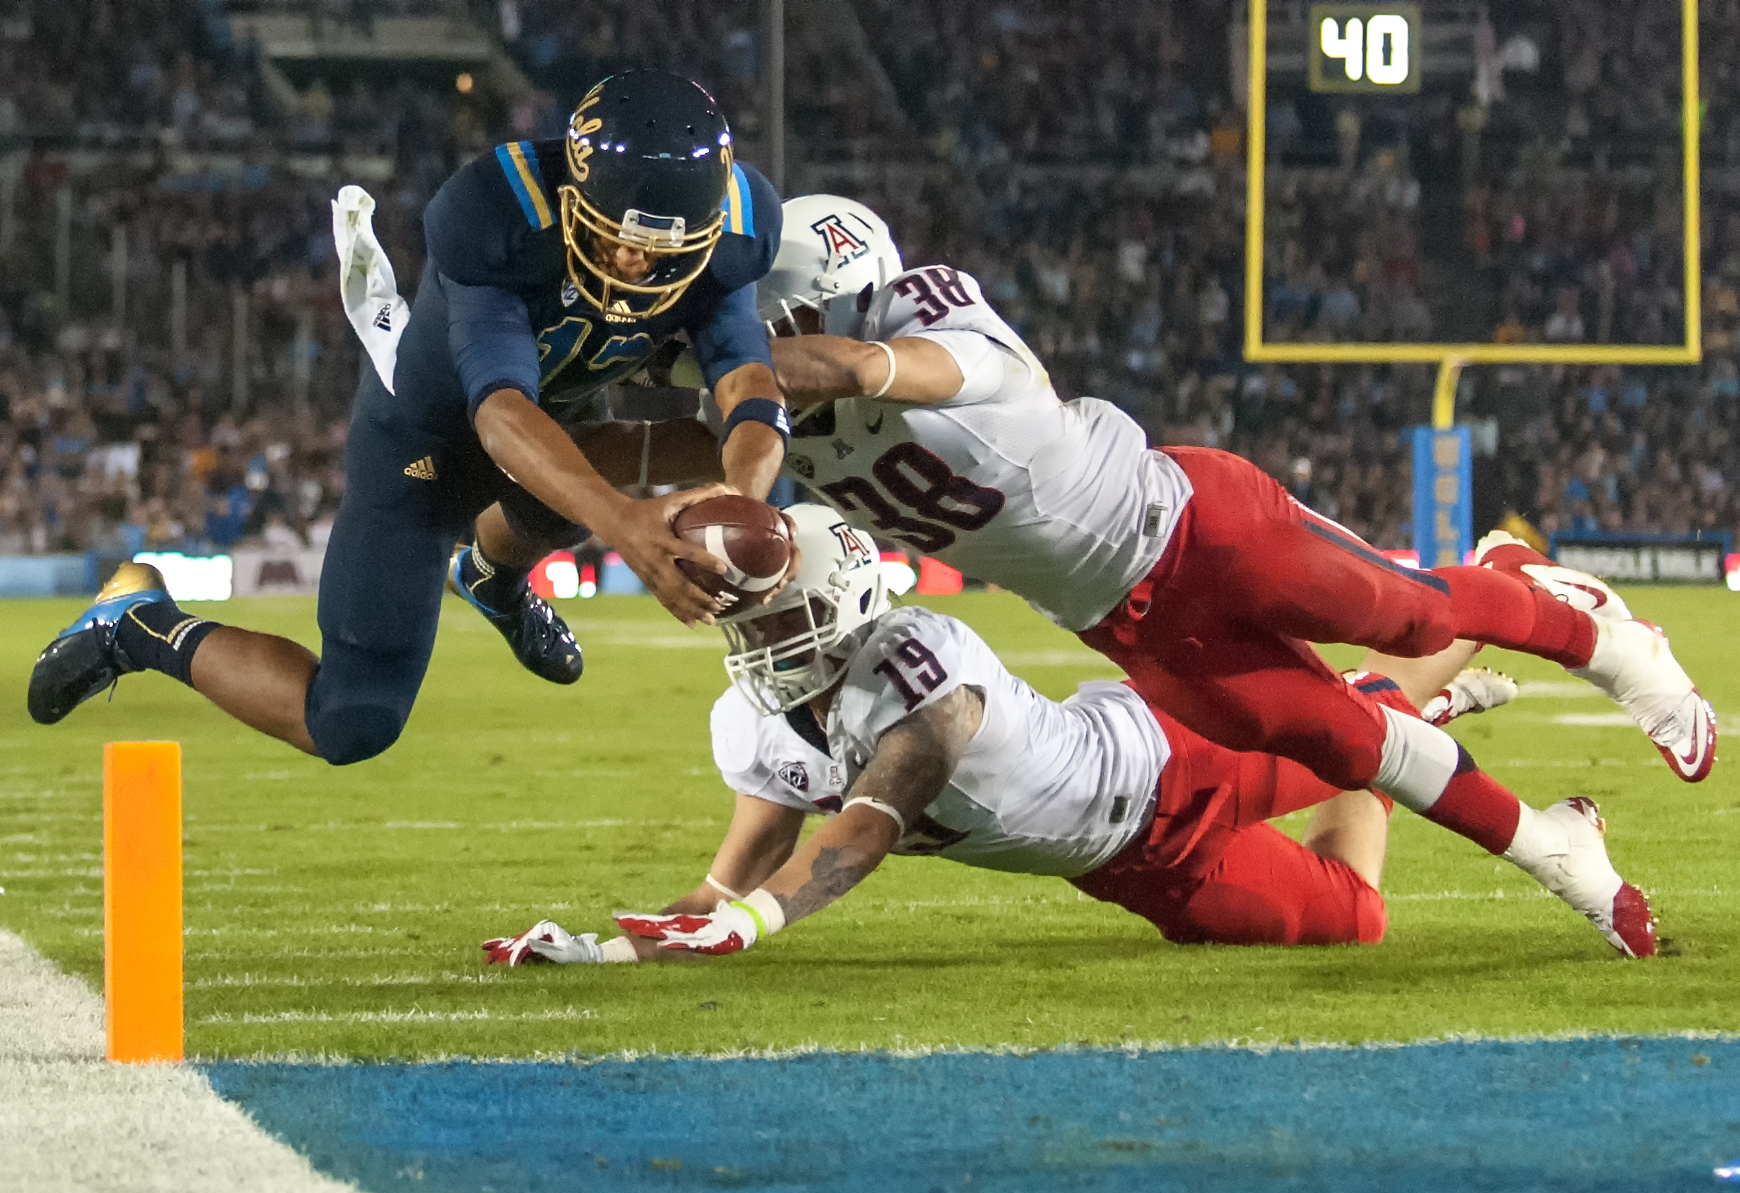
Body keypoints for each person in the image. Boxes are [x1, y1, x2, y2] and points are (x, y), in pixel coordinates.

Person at [562, 193, 1712, 918]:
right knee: (1350, 740)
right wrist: (540, 443)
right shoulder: (789, 400)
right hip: (1126, 627)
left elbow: (862, 375)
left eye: (776, 332)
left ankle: (1572, 616)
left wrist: (732, 365)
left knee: (1409, 616)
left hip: (1199, 526)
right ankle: (1555, 852)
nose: (757, 357)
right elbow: (660, 441)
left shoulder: (942, 340)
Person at [480, 504, 1654, 968]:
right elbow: (730, 875)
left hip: (1163, 755)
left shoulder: (920, 665)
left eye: (780, 613)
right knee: (1355, 922)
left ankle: (1485, 599)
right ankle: (1403, 727)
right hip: (1122, 866)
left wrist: (753, 918)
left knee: (1356, 730)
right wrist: (623, 949)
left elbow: (869, 826)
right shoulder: (748, 720)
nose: (760, 635)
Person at [27, 72, 792, 766]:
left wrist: (745, 498)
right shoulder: (498, 209)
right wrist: (630, 528)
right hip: (428, 442)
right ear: (574, 190)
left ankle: (491, 578)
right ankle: (137, 622)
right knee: (353, 721)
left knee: (668, 455)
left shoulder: (740, 227)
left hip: (561, 432)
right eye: (613, 236)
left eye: (659, 249)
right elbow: (498, 413)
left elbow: (748, 380)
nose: (632, 265)